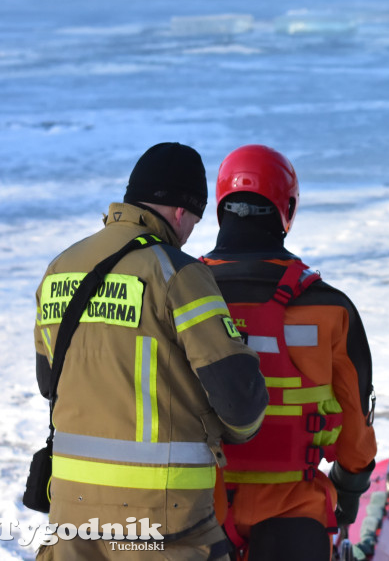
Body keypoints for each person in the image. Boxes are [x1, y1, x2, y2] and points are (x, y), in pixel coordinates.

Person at [33, 142, 269, 560]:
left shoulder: (59, 268)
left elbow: (48, 380)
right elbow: (238, 401)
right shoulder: (177, 272)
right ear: (182, 211)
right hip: (162, 518)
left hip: (71, 510)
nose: (190, 231)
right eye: (194, 220)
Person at [201, 144, 377, 560]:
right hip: (295, 514)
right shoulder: (331, 308)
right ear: (289, 208)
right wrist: (350, 490)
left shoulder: (180, 295)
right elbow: (354, 424)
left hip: (198, 510)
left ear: (220, 207)